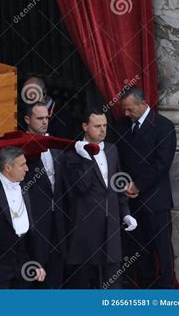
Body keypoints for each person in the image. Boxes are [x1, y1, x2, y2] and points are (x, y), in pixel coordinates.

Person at [62, 108, 137, 288]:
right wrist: (86, 157)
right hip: (86, 229)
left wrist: (125, 213)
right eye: (97, 126)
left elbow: (118, 186)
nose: (103, 130)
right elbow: (81, 186)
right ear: (85, 126)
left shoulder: (112, 150)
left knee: (112, 281)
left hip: (110, 227)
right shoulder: (72, 155)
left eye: (104, 125)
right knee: (86, 283)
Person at [114, 87, 177, 289]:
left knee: (163, 251)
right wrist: (125, 185)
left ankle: (167, 295)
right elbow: (119, 160)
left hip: (156, 201)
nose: (126, 113)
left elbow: (162, 163)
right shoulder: (121, 126)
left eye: (130, 109)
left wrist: (138, 185)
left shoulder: (163, 126)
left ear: (143, 104)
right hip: (131, 202)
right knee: (140, 252)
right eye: (124, 109)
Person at [0, 147, 46, 289]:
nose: (27, 169)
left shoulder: (26, 188)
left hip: (24, 264)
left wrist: (37, 262)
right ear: (8, 168)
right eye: (22, 165)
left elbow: (31, 228)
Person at [23, 102, 68, 288]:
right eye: (39, 118)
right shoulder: (21, 147)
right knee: (35, 271)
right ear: (27, 119)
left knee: (57, 269)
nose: (44, 122)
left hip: (57, 218)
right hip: (33, 218)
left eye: (47, 118)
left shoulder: (56, 146)